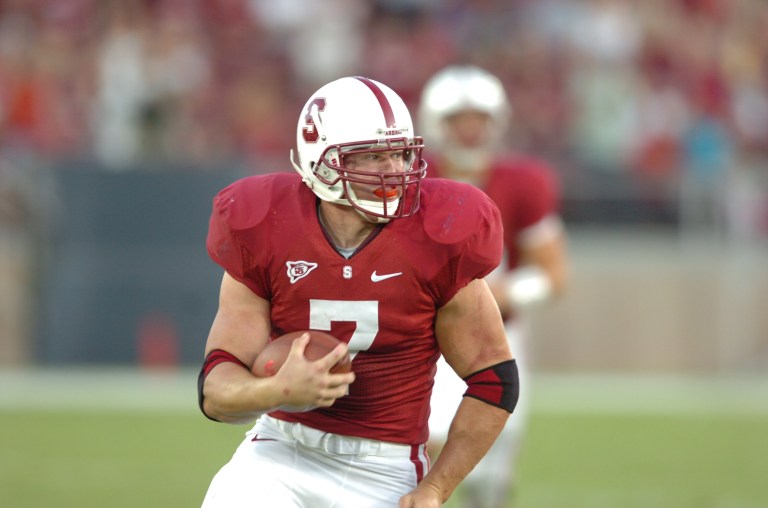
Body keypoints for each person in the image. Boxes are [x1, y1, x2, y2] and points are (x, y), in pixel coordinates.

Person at [198, 76, 520, 508]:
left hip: (384, 468)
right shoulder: (265, 225)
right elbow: (216, 391)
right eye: (371, 156)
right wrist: (275, 393)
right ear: (322, 160)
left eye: (400, 154)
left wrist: (436, 489)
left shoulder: (439, 235)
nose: (393, 172)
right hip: (279, 453)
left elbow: (494, 379)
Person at [418, 65, 568, 508]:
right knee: (428, 438)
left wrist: (509, 293)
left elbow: (554, 274)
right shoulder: (413, 179)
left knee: (489, 475)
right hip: (427, 331)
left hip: (498, 333)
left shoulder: (523, 182)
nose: (469, 130)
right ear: (436, 123)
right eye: (458, 120)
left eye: (478, 119)